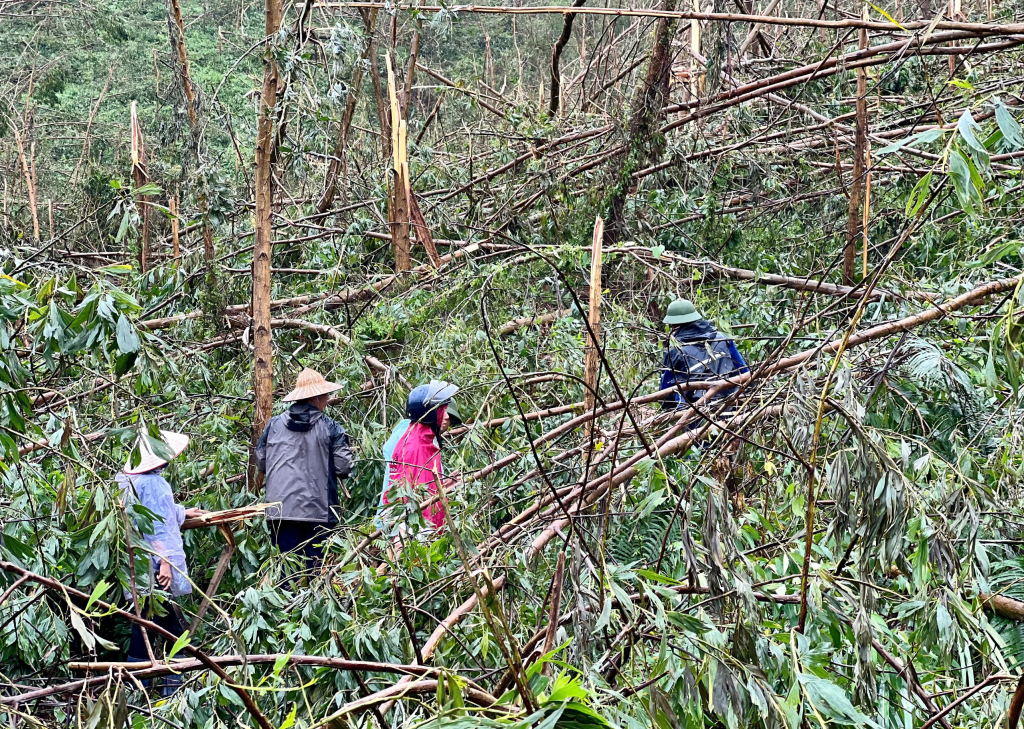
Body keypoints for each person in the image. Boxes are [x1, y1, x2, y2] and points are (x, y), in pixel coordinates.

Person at [118, 429, 204, 696]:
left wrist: (181, 511)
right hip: (154, 565)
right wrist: (164, 562)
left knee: (143, 622)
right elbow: (155, 526)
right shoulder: (154, 484)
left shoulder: (127, 480)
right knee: (171, 627)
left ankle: (137, 688)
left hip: (136, 564)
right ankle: (173, 690)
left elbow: (151, 512)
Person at [256, 367, 354, 575]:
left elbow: (262, 462)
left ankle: (284, 607)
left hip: (279, 512)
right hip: (319, 511)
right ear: (317, 398)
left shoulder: (273, 425)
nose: (328, 399)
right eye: (326, 395)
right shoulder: (331, 427)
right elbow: (343, 466)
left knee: (286, 573)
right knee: (316, 573)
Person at [380, 380, 461, 538]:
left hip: (424, 527)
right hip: (417, 531)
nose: (446, 417)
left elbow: (424, 486)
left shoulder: (427, 441)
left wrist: (445, 486)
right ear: (430, 413)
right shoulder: (415, 447)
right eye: (442, 410)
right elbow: (409, 498)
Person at [659, 298, 749, 410]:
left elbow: (666, 391)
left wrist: (666, 408)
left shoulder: (675, 351)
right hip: (729, 406)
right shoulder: (722, 338)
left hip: (692, 414)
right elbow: (744, 371)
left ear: (674, 326)